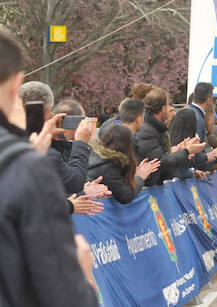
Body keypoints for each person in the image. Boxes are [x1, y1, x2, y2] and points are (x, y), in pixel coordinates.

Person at [0, 28, 99, 306]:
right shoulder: (27, 168)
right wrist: (80, 273)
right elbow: (60, 289)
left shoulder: (26, 160)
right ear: (15, 84)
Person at [135, 87, 205, 186]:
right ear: (163, 109)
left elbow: (162, 158)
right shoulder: (147, 131)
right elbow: (161, 162)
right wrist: (187, 151)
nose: (171, 109)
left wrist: (179, 150)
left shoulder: (156, 128)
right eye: (169, 106)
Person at [88, 125, 160, 204]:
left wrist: (134, 174)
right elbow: (125, 196)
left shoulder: (99, 156)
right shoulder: (109, 166)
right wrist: (140, 176)